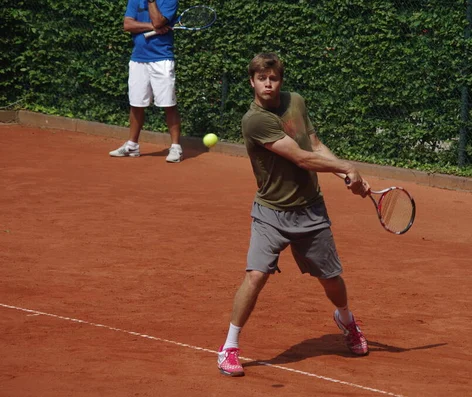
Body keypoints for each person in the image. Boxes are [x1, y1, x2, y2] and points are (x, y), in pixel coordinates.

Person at [217, 52, 371, 377]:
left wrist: (346, 176)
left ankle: (345, 319)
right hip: (271, 213)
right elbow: (300, 158)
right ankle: (229, 347)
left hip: (310, 210)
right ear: (252, 81)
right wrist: (346, 166)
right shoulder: (255, 120)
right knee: (255, 276)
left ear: (280, 80)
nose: (268, 84)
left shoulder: (296, 102)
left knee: (331, 280)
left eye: (273, 78)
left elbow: (313, 145)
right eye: (262, 78)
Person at [110, 0, 183, 163]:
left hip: (162, 59)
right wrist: (152, 27)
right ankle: (132, 146)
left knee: (168, 104)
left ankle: (176, 147)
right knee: (136, 104)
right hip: (138, 59)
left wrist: (151, 3)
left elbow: (158, 21)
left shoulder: (170, 1)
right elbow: (127, 25)